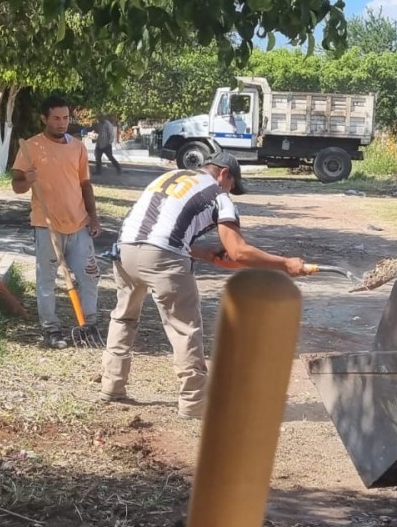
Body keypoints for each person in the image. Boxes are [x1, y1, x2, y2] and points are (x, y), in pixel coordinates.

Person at [99, 152, 307, 419]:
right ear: (224, 174)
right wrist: (284, 264)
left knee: (124, 318)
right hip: (164, 258)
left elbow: (157, 229)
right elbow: (239, 251)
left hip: (125, 250)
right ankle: (194, 404)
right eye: (232, 185)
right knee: (185, 329)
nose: (231, 190)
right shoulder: (218, 195)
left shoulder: (168, 177)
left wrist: (205, 253)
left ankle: (112, 385)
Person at [12, 95, 102, 350]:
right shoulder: (30, 148)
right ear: (44, 118)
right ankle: (51, 329)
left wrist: (93, 217)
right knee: (47, 280)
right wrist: (27, 179)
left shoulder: (78, 147)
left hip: (78, 224)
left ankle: (89, 324)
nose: (62, 123)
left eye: (65, 118)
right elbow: (16, 185)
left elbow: (85, 185)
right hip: (46, 225)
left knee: (89, 276)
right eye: (56, 118)